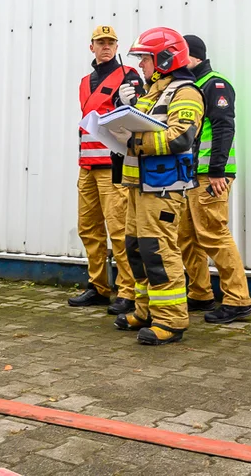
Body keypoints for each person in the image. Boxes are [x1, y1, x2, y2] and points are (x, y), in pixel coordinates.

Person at [114, 27, 204, 345]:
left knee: (159, 252)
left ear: (165, 59)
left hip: (163, 187)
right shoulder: (155, 93)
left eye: (145, 59)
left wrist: (135, 139)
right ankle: (146, 310)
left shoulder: (186, 92)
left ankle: (171, 320)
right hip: (140, 185)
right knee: (136, 250)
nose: (140, 65)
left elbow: (182, 136)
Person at [177, 35, 251, 324]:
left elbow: (224, 128)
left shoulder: (214, 84)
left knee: (213, 234)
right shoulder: (192, 87)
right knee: (186, 236)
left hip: (210, 175)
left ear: (191, 56)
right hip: (190, 175)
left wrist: (217, 172)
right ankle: (200, 293)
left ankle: (238, 300)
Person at [70, 25, 144, 315]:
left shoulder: (129, 76)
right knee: (88, 228)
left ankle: (127, 291)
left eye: (110, 42)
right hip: (86, 165)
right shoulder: (84, 81)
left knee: (118, 229)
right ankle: (98, 286)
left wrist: (130, 100)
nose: (105, 47)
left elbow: (139, 112)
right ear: (92, 47)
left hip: (113, 165)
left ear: (116, 46)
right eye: (100, 42)